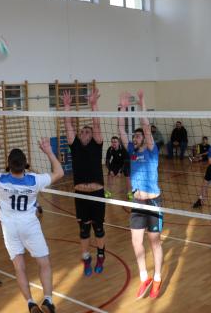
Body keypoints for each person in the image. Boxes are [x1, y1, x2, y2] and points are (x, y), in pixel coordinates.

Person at [0, 137, 64, 313]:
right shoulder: (35, 180)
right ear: (25, 164)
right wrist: (48, 151)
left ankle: (30, 303)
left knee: (19, 267)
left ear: (8, 164)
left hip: (10, 228)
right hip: (29, 225)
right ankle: (48, 300)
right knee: (44, 263)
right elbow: (59, 172)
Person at [118, 90, 164, 299]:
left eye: (138, 136)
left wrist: (142, 104)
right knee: (136, 242)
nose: (135, 138)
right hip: (137, 203)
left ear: (145, 139)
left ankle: (157, 278)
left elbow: (146, 126)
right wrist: (122, 108)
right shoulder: (132, 152)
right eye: (134, 136)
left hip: (153, 203)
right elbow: (120, 129)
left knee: (154, 242)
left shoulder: (151, 151)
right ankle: (144, 277)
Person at [62, 88, 107, 277]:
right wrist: (66, 106)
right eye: (82, 131)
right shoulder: (75, 146)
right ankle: (86, 258)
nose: (85, 132)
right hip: (80, 195)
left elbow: (96, 124)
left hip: (97, 194)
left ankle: (101, 256)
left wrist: (93, 104)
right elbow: (68, 126)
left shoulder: (97, 145)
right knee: (84, 230)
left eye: (87, 131)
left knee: (98, 228)